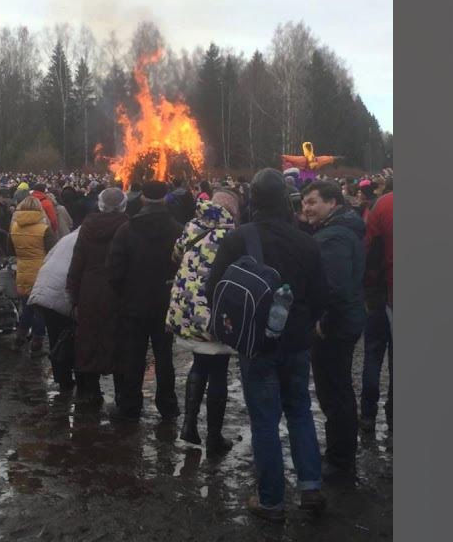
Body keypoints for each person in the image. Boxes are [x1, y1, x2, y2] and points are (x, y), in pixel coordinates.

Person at [207, 169, 331, 522]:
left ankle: (271, 501)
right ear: (287, 200)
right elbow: (322, 294)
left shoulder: (240, 238)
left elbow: (213, 288)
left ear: (253, 200)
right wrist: (304, 324)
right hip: (296, 344)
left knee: (264, 421)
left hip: (256, 344)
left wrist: (230, 327)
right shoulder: (307, 240)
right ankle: (310, 487)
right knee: (300, 411)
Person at [166, 190, 241, 453]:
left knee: (199, 363)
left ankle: (188, 426)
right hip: (215, 310)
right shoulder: (233, 236)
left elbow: (175, 256)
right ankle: (214, 436)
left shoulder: (192, 226)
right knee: (218, 369)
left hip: (187, 308)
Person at [300, 180, 367, 471]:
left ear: (332, 203)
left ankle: (340, 460)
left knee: (334, 391)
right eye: (304, 203)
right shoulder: (338, 230)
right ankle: (342, 454)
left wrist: (324, 324)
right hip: (346, 321)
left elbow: (335, 289)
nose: (306, 208)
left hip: (336, 327)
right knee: (338, 389)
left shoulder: (333, 238)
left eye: (312, 202)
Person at [105, 180, 183, 422]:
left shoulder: (126, 230)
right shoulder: (177, 230)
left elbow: (113, 270)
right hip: (164, 304)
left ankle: (130, 406)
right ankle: (168, 407)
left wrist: (124, 293)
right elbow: (183, 268)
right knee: (164, 357)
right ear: (166, 198)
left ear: (142, 199)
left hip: (133, 304)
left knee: (133, 356)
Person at [66, 188, 130, 405]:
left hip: (90, 290)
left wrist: (73, 296)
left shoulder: (87, 227)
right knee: (120, 342)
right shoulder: (128, 226)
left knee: (88, 340)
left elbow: (77, 263)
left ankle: (88, 392)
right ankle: (123, 396)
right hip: (119, 290)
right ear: (123, 205)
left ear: (100, 205)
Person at [28, 227, 81, 395]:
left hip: (44, 289)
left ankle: (62, 380)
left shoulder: (66, 238)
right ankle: (77, 378)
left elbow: (47, 259)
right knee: (72, 337)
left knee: (56, 337)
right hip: (61, 293)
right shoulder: (86, 241)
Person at [361, 186, 394, 430]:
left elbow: (370, 252)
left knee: (372, 355)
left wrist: (369, 290)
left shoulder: (382, 205)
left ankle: (368, 414)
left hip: (380, 294)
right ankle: (394, 418)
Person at [10, 196, 55, 353]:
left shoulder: (14, 227)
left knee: (27, 307)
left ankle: (20, 337)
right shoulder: (44, 230)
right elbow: (53, 252)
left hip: (22, 271)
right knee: (40, 310)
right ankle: (37, 341)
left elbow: (11, 250)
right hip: (40, 272)